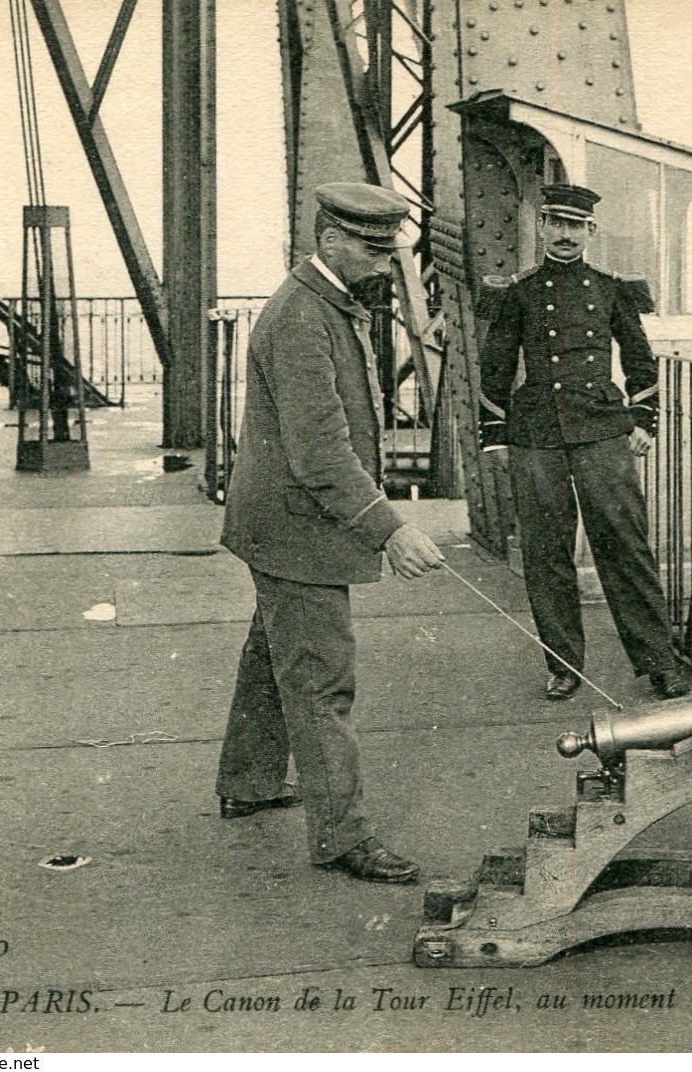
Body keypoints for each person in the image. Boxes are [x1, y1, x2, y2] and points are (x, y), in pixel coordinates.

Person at [217, 182, 446, 883]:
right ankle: (344, 837)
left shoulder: (323, 302)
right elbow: (319, 453)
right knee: (322, 682)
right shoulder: (301, 317)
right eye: (372, 249)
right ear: (329, 239)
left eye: (388, 249)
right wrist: (388, 530)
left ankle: (249, 781)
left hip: (281, 524)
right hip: (296, 529)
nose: (384, 262)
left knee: (274, 652)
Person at [476, 183, 690, 702]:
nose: (566, 234)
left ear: (591, 231)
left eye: (576, 225)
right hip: (537, 435)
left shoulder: (612, 289)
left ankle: (660, 662)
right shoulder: (518, 291)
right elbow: (495, 367)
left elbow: (640, 361)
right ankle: (564, 666)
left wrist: (642, 420)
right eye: (557, 223)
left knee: (626, 546)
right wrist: (495, 437)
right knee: (545, 553)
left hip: (601, 430)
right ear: (542, 228)